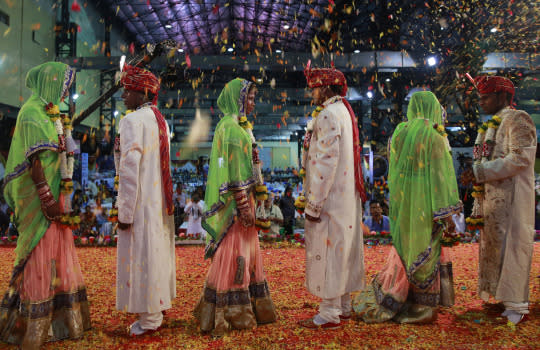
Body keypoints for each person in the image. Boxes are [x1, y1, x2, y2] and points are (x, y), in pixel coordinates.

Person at [0, 62, 91, 348]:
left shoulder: (50, 113)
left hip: (55, 199)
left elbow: (63, 152)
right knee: (38, 255)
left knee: (55, 255)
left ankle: (57, 321)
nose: (66, 89)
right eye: (63, 83)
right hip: (40, 201)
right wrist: (46, 197)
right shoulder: (30, 113)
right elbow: (35, 161)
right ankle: (32, 326)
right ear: (50, 83)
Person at [353, 91, 462, 324]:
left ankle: (407, 298)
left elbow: (395, 172)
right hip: (427, 202)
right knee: (426, 248)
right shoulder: (435, 134)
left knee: (408, 246)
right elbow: (441, 176)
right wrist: (447, 213)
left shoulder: (399, 134)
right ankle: (424, 305)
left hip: (404, 204)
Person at [194, 78, 277, 336]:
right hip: (235, 205)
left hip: (245, 200)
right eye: (248, 98)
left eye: (253, 98)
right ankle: (229, 312)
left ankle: (244, 306)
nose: (252, 103)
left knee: (245, 254)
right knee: (235, 254)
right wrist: (243, 205)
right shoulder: (230, 128)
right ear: (236, 99)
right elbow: (231, 171)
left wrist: (258, 196)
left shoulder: (240, 126)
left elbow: (251, 165)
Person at [298, 63, 366, 329]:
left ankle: (328, 313)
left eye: (314, 89)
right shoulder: (346, 112)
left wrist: (314, 202)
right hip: (346, 196)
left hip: (330, 198)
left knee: (329, 253)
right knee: (343, 250)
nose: (312, 94)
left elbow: (325, 161)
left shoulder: (327, 114)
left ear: (325, 88)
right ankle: (344, 305)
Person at [115, 64, 176, 335]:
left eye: (128, 91)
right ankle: (157, 306)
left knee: (141, 258)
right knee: (156, 255)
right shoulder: (160, 120)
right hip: (158, 202)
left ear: (141, 92)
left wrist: (124, 213)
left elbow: (129, 170)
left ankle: (149, 319)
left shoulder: (131, 121)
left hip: (139, 203)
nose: (124, 96)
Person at [470, 76, 536, 324]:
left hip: (514, 201)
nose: (481, 103)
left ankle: (517, 305)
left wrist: (480, 172)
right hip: (494, 200)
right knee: (497, 249)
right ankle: (503, 297)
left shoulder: (519, 119)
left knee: (513, 248)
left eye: (485, 97)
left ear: (502, 96)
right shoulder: (494, 123)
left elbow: (520, 159)